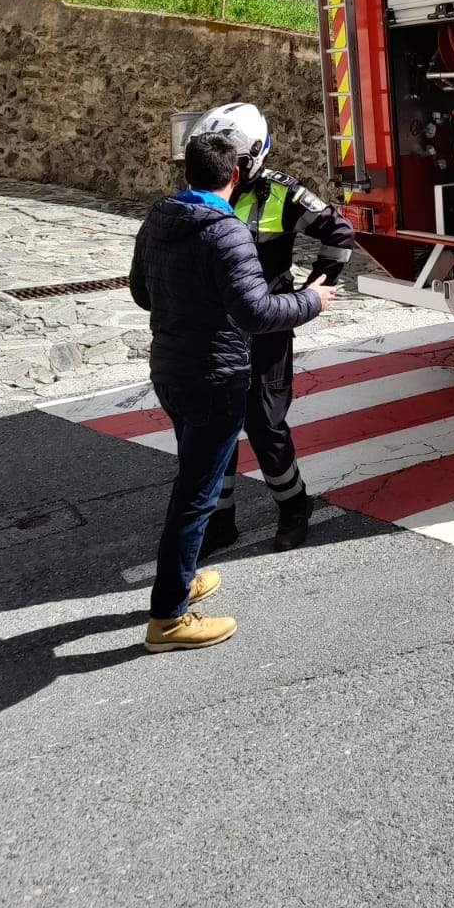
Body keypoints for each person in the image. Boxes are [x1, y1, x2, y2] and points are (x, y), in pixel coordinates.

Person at [129, 130, 332, 652]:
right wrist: (312, 300)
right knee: (194, 496)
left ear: (185, 173)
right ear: (236, 174)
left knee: (195, 477)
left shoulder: (158, 217)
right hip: (215, 376)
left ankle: (183, 578)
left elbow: (141, 293)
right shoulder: (228, 232)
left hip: (169, 370)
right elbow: (256, 313)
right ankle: (168, 619)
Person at [187, 104, 356, 556]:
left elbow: (339, 233)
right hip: (219, 329)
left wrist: (313, 290)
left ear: (254, 155)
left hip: (268, 326)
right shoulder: (205, 189)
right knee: (218, 422)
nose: (229, 167)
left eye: (236, 160)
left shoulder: (283, 192)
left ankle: (294, 507)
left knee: (264, 423)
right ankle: (220, 520)